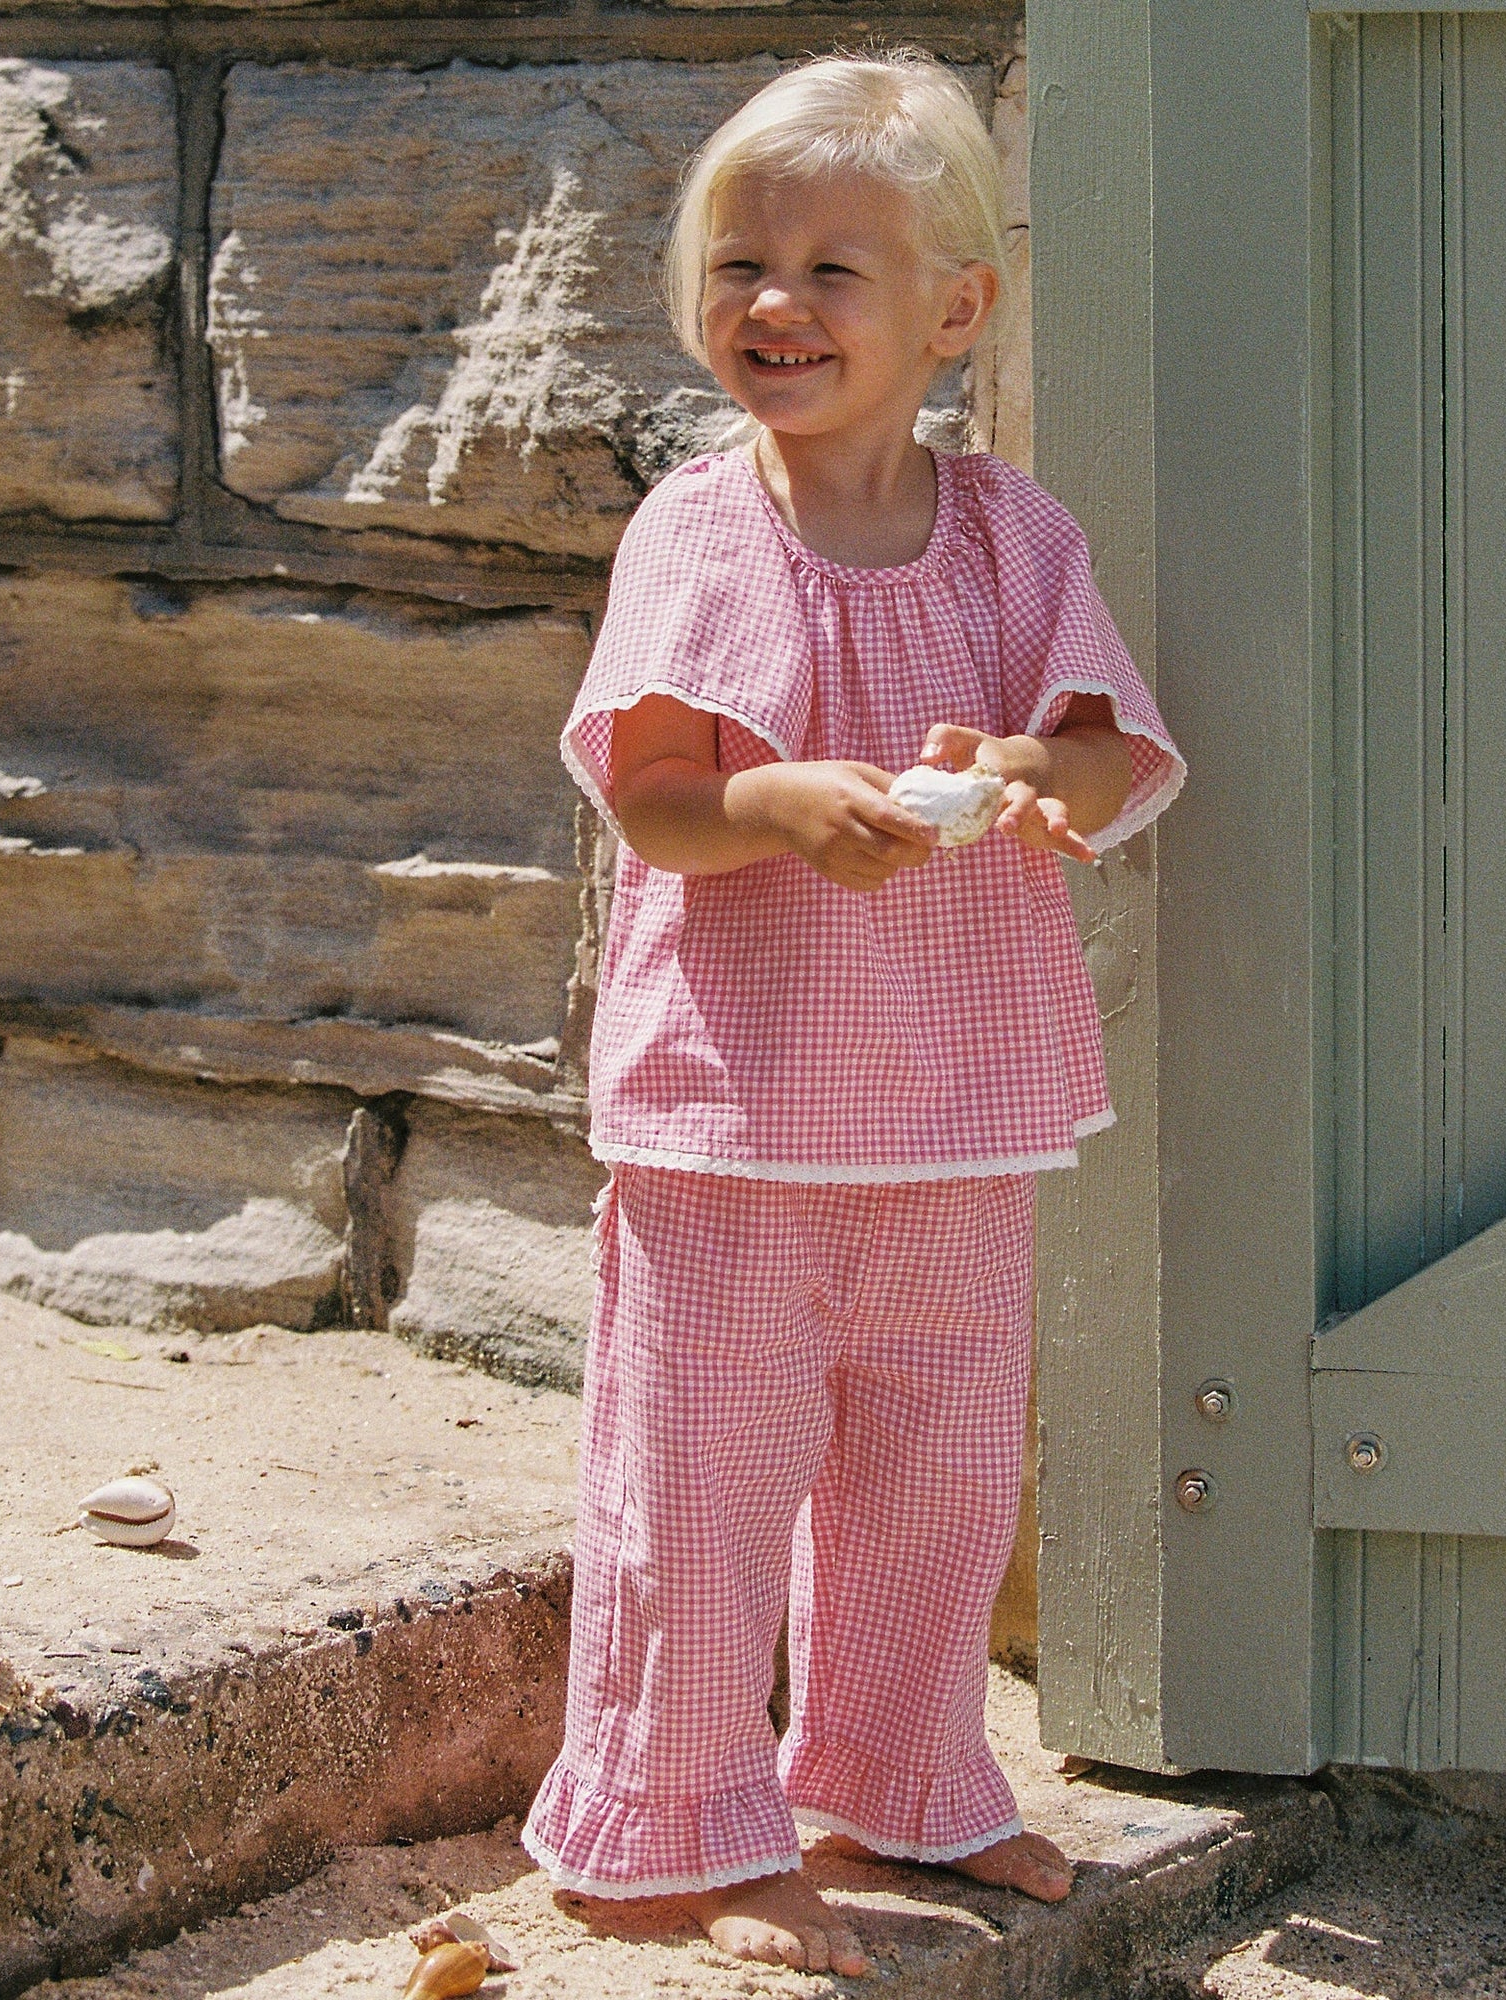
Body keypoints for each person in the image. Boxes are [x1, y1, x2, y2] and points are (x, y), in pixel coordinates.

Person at [521, 50, 1186, 1977]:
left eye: (834, 267)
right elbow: (646, 790)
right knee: (697, 1483)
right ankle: (672, 1827)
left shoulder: (1013, 537)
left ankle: (902, 1775)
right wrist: (773, 806)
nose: (775, 305)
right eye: (742, 264)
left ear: (956, 313)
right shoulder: (703, 533)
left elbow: (1106, 753)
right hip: (732, 1114)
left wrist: (1029, 769)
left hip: (957, 1105)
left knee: (941, 1462)